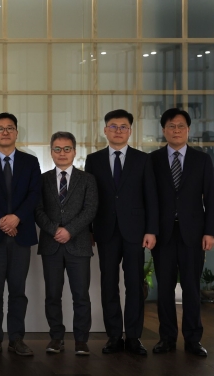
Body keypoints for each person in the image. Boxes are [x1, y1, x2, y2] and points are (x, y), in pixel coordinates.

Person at [85, 109, 158, 356]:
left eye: (123, 126)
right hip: (105, 231)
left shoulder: (142, 159)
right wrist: (89, 230)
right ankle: (114, 336)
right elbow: (89, 199)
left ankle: (134, 336)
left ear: (130, 130)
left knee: (135, 284)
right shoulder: (93, 160)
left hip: (136, 232)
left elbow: (151, 197)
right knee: (109, 284)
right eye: (113, 126)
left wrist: (151, 230)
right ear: (105, 130)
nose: (118, 130)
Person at [149, 108, 213, 357]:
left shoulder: (202, 160)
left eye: (181, 126)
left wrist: (210, 231)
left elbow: (211, 197)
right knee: (164, 288)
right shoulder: (152, 160)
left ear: (188, 130)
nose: (176, 130)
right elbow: (149, 198)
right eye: (171, 126)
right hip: (163, 234)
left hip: (193, 234)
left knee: (191, 287)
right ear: (164, 130)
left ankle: (193, 339)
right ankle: (166, 338)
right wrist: (150, 230)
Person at [0, 113, 41, 357]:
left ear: (16, 133)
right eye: (0, 128)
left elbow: (35, 193)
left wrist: (17, 217)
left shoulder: (30, 162)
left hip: (21, 234)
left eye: (10, 128)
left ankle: (17, 338)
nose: (5, 132)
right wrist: (2, 220)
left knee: (18, 290)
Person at [35, 131, 98, 356]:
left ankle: (81, 340)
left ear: (74, 151)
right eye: (57, 149)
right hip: (51, 245)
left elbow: (90, 209)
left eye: (67, 149)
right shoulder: (42, 179)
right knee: (53, 294)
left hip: (78, 244)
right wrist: (55, 230)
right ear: (51, 152)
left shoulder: (87, 179)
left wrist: (69, 230)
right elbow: (37, 210)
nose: (62, 153)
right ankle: (56, 338)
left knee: (80, 295)